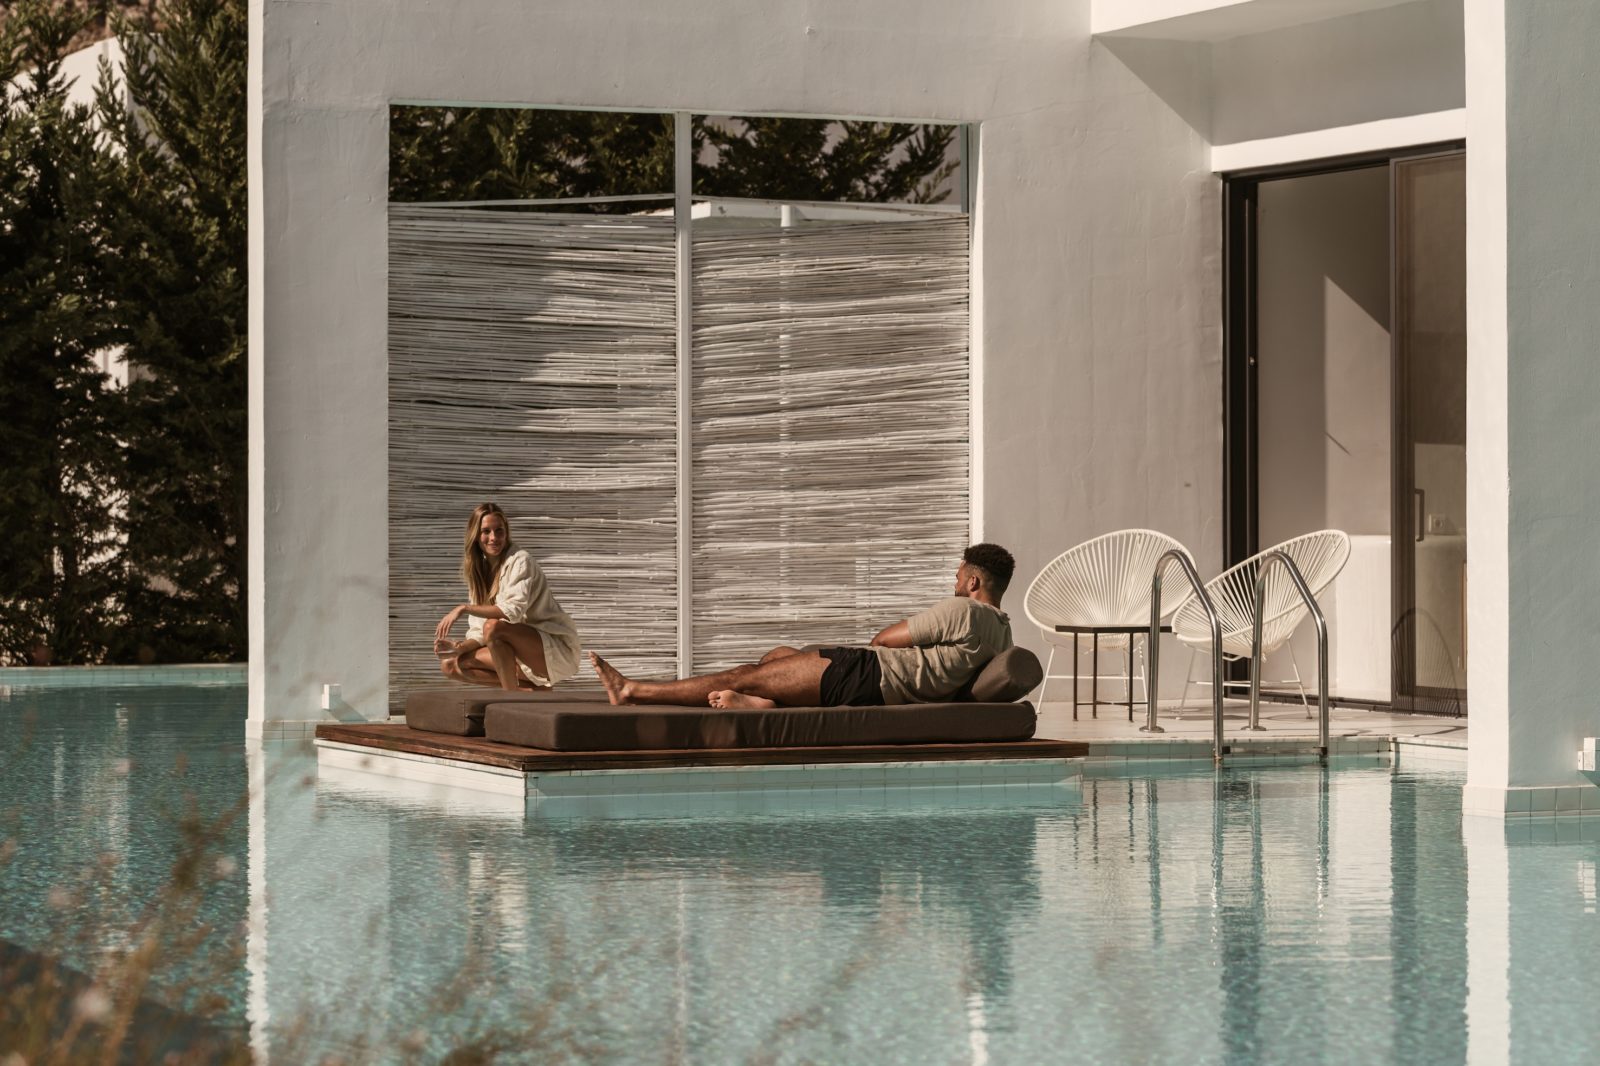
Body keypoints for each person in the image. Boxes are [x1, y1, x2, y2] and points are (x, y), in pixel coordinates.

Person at [589, 543, 1015, 708]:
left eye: (958, 577)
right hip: (877, 679)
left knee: (745, 675)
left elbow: (884, 639)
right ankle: (763, 706)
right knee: (778, 656)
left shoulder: (964, 612)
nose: (954, 583)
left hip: (870, 673)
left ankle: (631, 690)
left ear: (973, 582)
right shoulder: (1003, 631)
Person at [435, 502, 583, 691]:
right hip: (515, 652)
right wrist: (460, 648)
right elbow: (479, 632)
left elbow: (511, 612)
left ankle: (510, 698)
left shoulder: (520, 560)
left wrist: (463, 608)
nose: (493, 537)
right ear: (476, 535)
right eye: (486, 531)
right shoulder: (479, 573)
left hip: (553, 651)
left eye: (499, 531)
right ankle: (532, 691)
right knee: (450, 665)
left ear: (506, 532)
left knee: (493, 627)